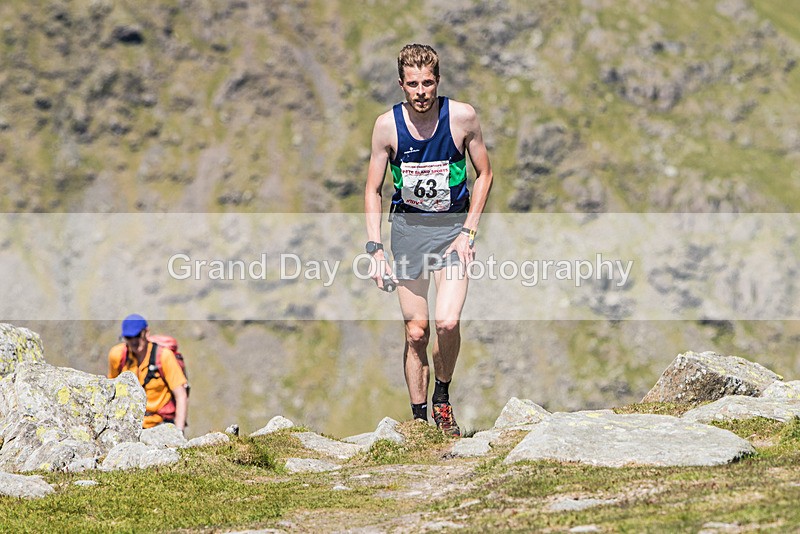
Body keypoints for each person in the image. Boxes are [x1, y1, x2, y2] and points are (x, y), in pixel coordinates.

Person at [364, 44, 493, 436]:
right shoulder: (387, 127)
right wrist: (375, 250)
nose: (421, 91)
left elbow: (484, 174)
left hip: (453, 234)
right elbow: (373, 190)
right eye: (413, 84)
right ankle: (419, 421)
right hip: (407, 235)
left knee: (448, 322)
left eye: (428, 83)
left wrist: (469, 232)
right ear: (402, 85)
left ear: (438, 81)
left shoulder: (462, 118)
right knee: (417, 331)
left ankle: (442, 398)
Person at [107, 314, 189, 432]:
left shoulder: (163, 356)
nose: (134, 341)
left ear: (146, 332)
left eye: (137, 336)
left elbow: (181, 395)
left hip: (160, 424)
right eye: (129, 337)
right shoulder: (117, 356)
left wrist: (179, 432)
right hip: (129, 423)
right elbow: (111, 391)